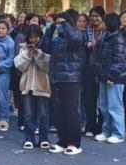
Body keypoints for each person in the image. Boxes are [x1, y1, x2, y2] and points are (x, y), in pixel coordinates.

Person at [41, 10, 85, 155]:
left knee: (71, 111)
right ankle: (63, 140)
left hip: (71, 79)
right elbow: (44, 47)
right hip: (56, 79)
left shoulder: (77, 35)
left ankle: (74, 143)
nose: (59, 25)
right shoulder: (57, 39)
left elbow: (75, 40)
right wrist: (50, 29)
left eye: (61, 22)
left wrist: (65, 25)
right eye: (58, 22)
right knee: (59, 111)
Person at [93, 13, 126, 145]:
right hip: (104, 76)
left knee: (115, 106)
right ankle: (106, 131)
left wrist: (112, 76)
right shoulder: (106, 36)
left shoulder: (117, 38)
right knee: (104, 106)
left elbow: (119, 60)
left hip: (115, 77)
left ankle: (118, 133)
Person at [14, 24, 51, 149]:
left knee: (43, 114)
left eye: (36, 37)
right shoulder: (23, 49)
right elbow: (19, 66)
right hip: (27, 85)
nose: (33, 40)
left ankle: (43, 138)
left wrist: (38, 54)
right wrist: (28, 55)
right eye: (31, 37)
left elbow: (47, 66)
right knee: (28, 114)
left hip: (42, 85)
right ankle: (29, 138)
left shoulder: (45, 47)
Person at [83, 8, 105, 137]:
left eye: (97, 16)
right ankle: (90, 126)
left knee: (102, 99)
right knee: (89, 99)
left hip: (102, 68)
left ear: (102, 17)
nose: (94, 19)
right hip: (89, 67)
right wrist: (87, 44)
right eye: (92, 16)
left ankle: (101, 126)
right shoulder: (87, 30)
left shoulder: (106, 31)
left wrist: (98, 44)